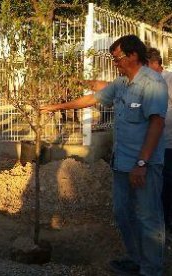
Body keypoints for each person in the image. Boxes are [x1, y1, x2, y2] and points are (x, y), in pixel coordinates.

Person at [41, 35, 167, 276]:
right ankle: (136, 259)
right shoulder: (121, 84)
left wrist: (142, 163)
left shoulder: (153, 83)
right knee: (123, 214)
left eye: (117, 58)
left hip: (144, 165)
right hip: (121, 164)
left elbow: (156, 124)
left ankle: (151, 269)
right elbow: (92, 98)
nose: (114, 63)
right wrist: (56, 107)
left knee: (147, 216)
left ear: (133, 56)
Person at [147, 47, 172, 234]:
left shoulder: (169, 79)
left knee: (167, 182)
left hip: (168, 143)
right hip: (155, 142)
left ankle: (165, 222)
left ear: (154, 64)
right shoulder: (149, 81)